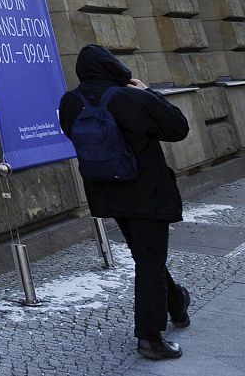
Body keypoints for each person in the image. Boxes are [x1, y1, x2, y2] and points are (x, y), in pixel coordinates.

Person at [59, 45, 192, 361]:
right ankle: (149, 338)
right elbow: (178, 128)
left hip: (107, 192)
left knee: (146, 256)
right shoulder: (130, 97)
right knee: (149, 260)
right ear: (111, 67)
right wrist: (151, 93)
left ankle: (176, 302)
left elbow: (71, 133)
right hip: (146, 193)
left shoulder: (70, 102)